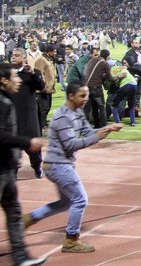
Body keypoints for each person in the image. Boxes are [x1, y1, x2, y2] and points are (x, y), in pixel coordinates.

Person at [23, 82, 120, 254]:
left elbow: (89, 133)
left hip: (60, 165)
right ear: (71, 96)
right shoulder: (62, 117)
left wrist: (107, 129)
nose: (85, 99)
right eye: (82, 96)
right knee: (80, 200)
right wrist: (96, 137)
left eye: (87, 96)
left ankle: (30, 218)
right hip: (57, 165)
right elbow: (70, 145)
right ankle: (71, 240)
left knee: (66, 202)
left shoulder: (77, 112)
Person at [0, 62, 49, 266]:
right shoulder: (2, 104)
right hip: (1, 168)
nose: (19, 80)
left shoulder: (7, 100)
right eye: (15, 77)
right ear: (3, 81)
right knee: (13, 211)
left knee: (14, 211)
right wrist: (27, 142)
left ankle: (21, 257)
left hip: (8, 167)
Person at [9, 49, 46, 178]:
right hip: (11, 118)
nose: (13, 57)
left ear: (24, 58)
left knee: (33, 147)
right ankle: (11, 173)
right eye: (12, 55)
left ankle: (37, 167)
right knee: (11, 148)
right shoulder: (6, 75)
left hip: (28, 117)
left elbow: (41, 86)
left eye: (17, 55)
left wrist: (32, 74)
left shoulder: (33, 73)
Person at [33, 44, 56, 130]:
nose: (55, 53)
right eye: (54, 51)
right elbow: (39, 74)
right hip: (43, 89)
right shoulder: (40, 60)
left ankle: (44, 123)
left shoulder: (47, 59)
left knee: (47, 107)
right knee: (43, 108)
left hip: (49, 89)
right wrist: (42, 86)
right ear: (49, 51)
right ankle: (42, 125)